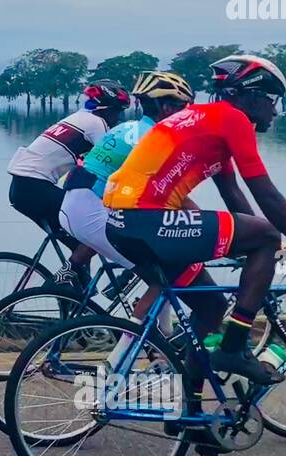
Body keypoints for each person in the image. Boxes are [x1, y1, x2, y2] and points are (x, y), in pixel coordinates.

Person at [103, 55, 286, 386]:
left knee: (210, 307)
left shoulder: (205, 120)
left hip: (122, 223)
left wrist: (282, 246)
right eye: (271, 100)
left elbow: (234, 197)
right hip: (147, 219)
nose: (275, 111)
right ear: (249, 96)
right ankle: (234, 347)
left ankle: (191, 419)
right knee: (265, 235)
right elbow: (268, 197)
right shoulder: (232, 119)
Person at [58, 71, 194, 317]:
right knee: (165, 276)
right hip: (90, 211)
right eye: (183, 107)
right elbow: (174, 197)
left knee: (156, 258)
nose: (187, 113)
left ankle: (159, 338)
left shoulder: (129, 127)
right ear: (166, 108)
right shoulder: (156, 140)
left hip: (78, 204)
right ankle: (127, 347)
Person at [6, 80, 131, 281]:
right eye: (117, 111)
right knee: (88, 238)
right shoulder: (96, 125)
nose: (118, 118)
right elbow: (117, 164)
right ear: (105, 108)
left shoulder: (79, 118)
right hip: (35, 188)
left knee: (83, 238)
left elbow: (91, 167)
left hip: (24, 187)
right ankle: (61, 287)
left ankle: (75, 297)